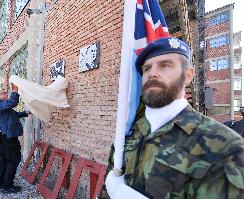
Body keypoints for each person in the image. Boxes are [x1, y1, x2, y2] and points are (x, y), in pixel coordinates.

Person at [100, 37, 244, 199]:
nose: (152, 73)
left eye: (165, 65)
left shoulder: (225, 145)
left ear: (188, 75)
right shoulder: (127, 131)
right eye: (146, 68)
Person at [0, 83, 31, 194]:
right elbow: (13, 102)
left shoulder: (2, 107)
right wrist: (15, 90)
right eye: (4, 93)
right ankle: (7, 186)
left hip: (4, 138)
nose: (7, 94)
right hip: (7, 139)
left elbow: (14, 114)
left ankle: (1, 183)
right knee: (14, 159)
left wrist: (27, 113)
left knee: (4, 160)